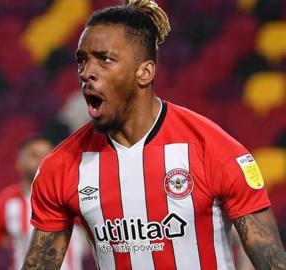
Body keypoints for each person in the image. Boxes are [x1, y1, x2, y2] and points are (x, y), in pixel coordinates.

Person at [22, 0, 286, 269]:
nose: (87, 72)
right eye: (82, 60)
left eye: (104, 59)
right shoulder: (61, 167)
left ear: (145, 72)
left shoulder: (215, 151)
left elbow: (272, 263)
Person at [0, 137, 87, 270]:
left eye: (47, 155)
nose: (42, 160)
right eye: (34, 155)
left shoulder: (74, 196)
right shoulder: (4, 203)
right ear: (19, 162)